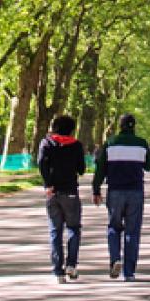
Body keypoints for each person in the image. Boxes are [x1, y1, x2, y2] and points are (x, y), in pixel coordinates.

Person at [92, 112, 150, 280]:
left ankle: (115, 259)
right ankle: (129, 272)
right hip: (135, 191)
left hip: (115, 190)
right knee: (132, 231)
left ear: (120, 126)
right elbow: (147, 166)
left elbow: (101, 169)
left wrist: (96, 189)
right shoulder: (141, 143)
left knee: (114, 227)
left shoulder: (110, 143)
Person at [35, 113, 88, 281]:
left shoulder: (46, 143)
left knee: (55, 231)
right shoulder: (77, 145)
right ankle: (71, 265)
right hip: (71, 191)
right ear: (71, 129)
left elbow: (41, 163)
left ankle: (58, 271)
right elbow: (81, 169)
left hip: (52, 192)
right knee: (73, 228)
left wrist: (48, 184)